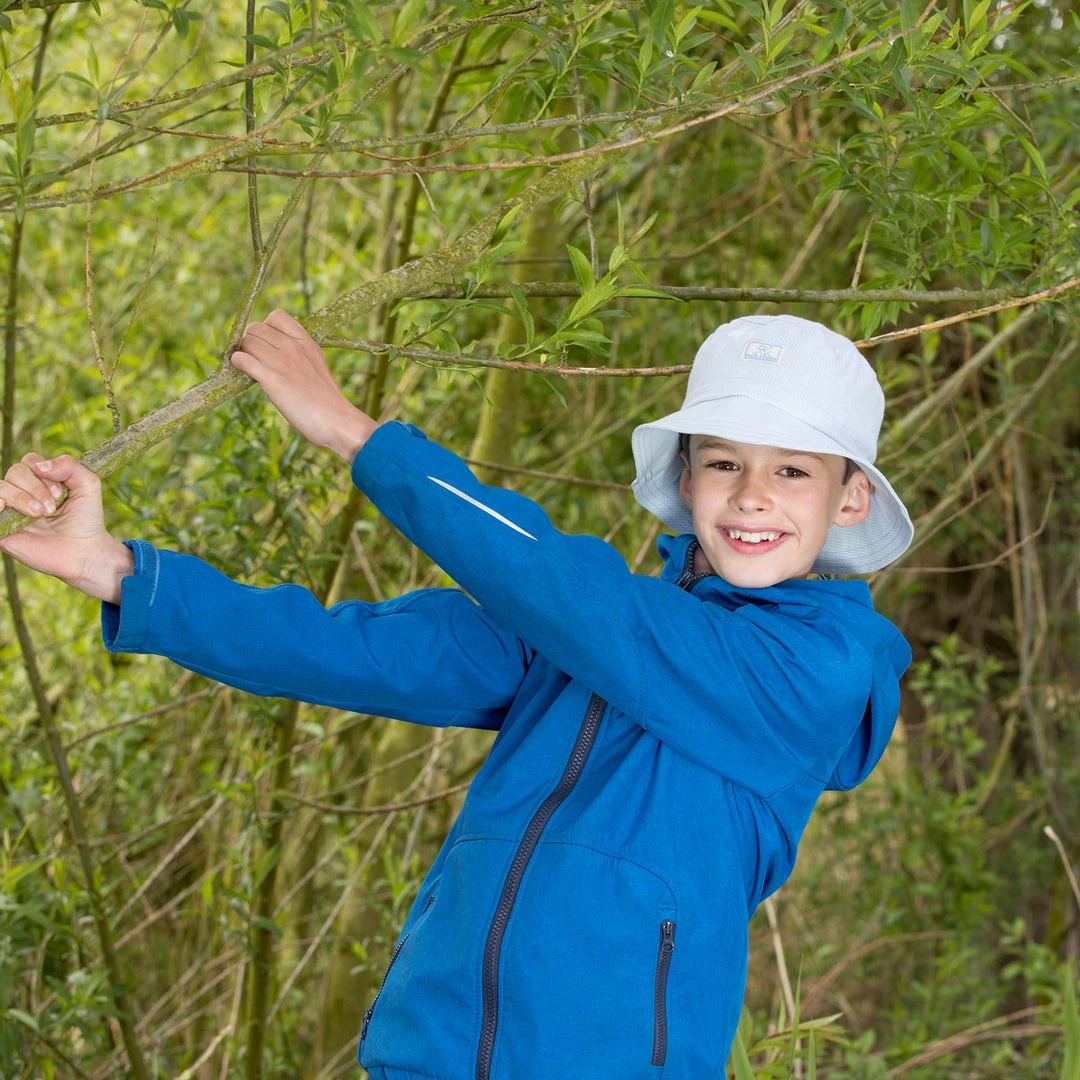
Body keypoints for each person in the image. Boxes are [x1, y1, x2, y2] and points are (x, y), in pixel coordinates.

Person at [0, 311, 913, 1079]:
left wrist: (356, 435)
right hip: (427, 1050)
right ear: (685, 479)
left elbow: (576, 596)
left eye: (792, 470)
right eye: (724, 462)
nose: (753, 496)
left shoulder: (820, 669)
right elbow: (352, 651)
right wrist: (117, 569)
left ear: (849, 500)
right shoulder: (583, 633)